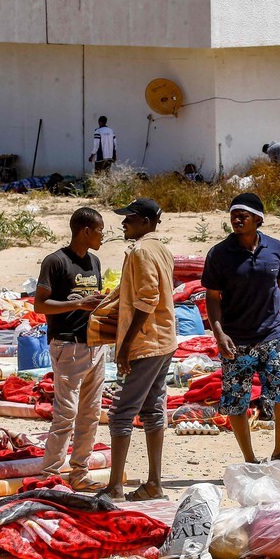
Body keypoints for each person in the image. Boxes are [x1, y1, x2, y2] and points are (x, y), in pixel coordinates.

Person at [202, 192, 280, 479]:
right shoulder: (219, 254)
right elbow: (212, 296)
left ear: (258, 219)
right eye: (233, 214)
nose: (237, 218)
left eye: (243, 214)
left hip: (273, 334)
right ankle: (250, 459)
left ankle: (279, 454)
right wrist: (218, 333)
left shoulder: (276, 249)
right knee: (236, 400)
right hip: (236, 339)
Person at [99, 198, 177, 501]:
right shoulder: (160, 248)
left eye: (129, 218)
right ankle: (154, 483)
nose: (123, 224)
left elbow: (148, 299)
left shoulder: (142, 250)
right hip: (165, 338)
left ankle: (114, 486)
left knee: (120, 413)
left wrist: (126, 345)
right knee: (153, 409)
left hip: (147, 341)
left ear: (145, 222)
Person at [33, 207, 108, 492]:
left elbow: (93, 303)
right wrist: (77, 304)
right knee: (65, 414)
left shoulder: (95, 262)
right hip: (68, 346)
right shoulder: (56, 262)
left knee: (90, 414)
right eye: (100, 230)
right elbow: (40, 305)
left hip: (95, 346)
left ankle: (79, 472)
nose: (103, 235)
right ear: (85, 231)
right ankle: (49, 475)